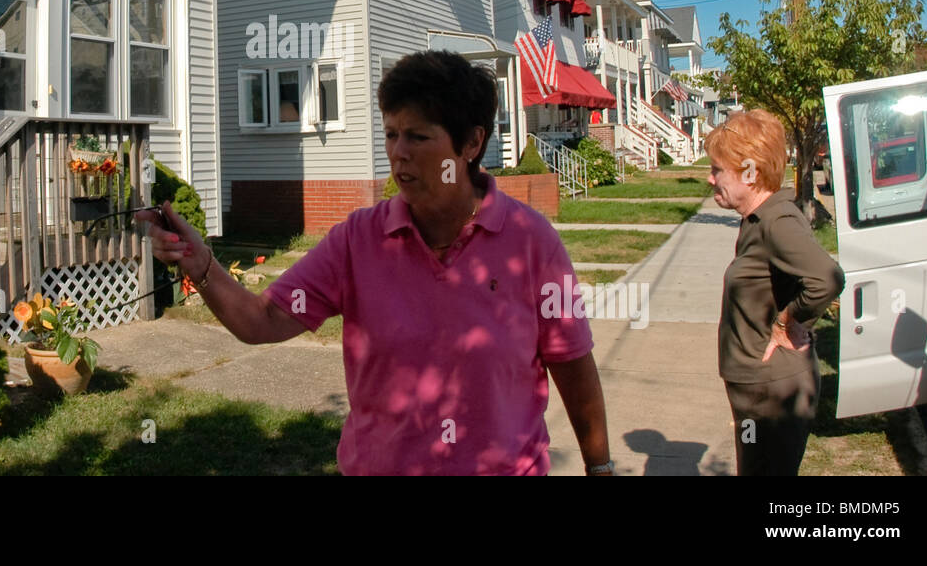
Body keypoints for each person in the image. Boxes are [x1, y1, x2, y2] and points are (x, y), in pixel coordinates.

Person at [139, 50, 613, 476]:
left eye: (417, 137)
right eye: (390, 134)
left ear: (471, 143)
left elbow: (571, 363)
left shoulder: (531, 243)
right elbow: (261, 320)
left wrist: (600, 467)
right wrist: (201, 265)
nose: (397, 152)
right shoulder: (358, 241)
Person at [706, 109, 845, 476]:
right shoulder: (758, 220)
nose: (711, 178)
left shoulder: (776, 220)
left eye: (718, 169)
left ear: (750, 171)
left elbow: (826, 277)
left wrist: (787, 323)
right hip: (754, 393)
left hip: (770, 396)